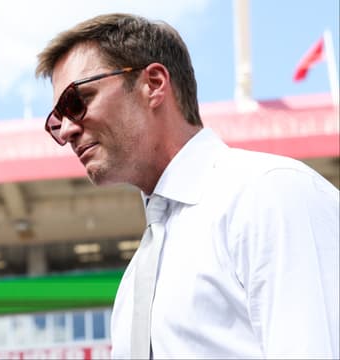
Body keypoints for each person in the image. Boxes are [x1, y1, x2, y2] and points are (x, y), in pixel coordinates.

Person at [36, 13, 339, 359]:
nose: (66, 130)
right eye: (57, 120)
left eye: (76, 102)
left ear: (153, 84)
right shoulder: (134, 282)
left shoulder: (270, 195)